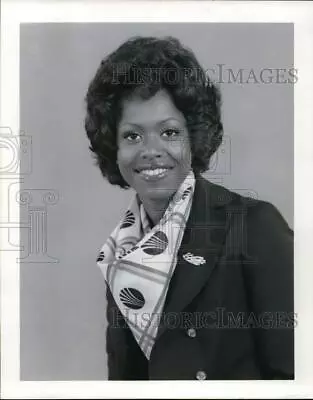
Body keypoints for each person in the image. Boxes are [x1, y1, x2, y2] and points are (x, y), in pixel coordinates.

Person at [84, 36, 294, 380]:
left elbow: (296, 378)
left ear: (194, 138)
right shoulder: (123, 253)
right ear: (113, 147)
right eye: (132, 136)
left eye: (169, 132)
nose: (150, 150)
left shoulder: (255, 226)